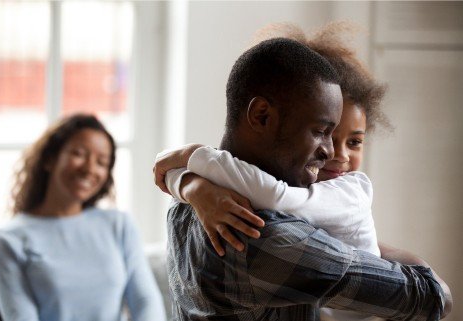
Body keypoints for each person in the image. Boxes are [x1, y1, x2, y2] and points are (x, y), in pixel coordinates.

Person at [156, 22, 454, 321]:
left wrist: (188, 181)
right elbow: (433, 296)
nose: (329, 152)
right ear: (261, 116)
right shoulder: (265, 235)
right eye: (321, 131)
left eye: (350, 139)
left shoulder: (187, 201)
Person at [0, 114, 166, 321]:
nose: (90, 169)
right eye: (79, 154)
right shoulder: (9, 239)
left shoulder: (119, 225)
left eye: (101, 162)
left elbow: (145, 302)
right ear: (50, 159)